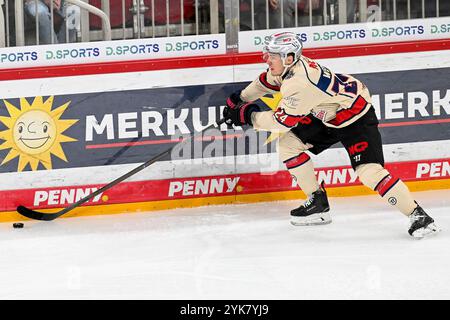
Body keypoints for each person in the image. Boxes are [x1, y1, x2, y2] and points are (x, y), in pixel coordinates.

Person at [222, 32, 440, 239]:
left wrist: (247, 115)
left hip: (356, 117)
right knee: (289, 144)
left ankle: (419, 216)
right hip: (328, 113)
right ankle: (318, 203)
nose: (267, 59)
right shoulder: (289, 67)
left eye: (272, 56)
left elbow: (281, 121)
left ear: (288, 57)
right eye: (267, 54)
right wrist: (240, 98)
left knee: (368, 172)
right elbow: (265, 81)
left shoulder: (298, 84)